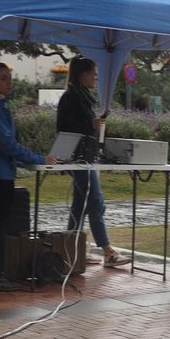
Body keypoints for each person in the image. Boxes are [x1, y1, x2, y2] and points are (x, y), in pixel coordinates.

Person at [0, 62, 54, 291]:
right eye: (3, 79)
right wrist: (38, 159)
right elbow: (6, 143)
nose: (9, 83)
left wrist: (25, 160)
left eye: (9, 78)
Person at [55, 57, 129, 268]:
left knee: (80, 204)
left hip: (83, 157)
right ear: (82, 74)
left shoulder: (80, 96)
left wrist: (92, 124)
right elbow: (65, 127)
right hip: (78, 158)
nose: (96, 77)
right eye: (93, 73)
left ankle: (73, 248)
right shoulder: (72, 97)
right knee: (95, 201)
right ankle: (107, 251)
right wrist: (91, 124)